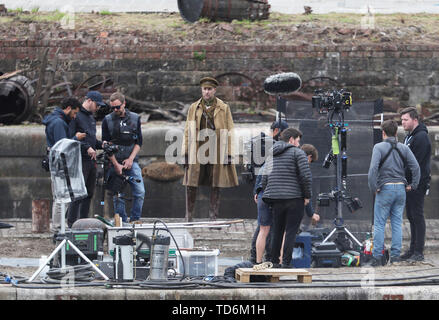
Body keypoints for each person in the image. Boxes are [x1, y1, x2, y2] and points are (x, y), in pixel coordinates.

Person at [182, 76, 238, 221]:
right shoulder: (194, 107)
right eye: (204, 89)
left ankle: (213, 217)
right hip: (197, 149)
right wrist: (185, 153)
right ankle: (189, 216)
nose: (207, 92)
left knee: (216, 183)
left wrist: (229, 153)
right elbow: (187, 130)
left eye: (209, 89)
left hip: (217, 150)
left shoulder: (223, 107)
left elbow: (230, 130)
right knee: (191, 183)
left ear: (214, 90)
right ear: (201, 90)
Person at [367, 120, 420, 266]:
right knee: (397, 223)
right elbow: (416, 167)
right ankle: (395, 257)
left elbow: (373, 170)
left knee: (379, 223)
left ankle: (377, 257)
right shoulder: (404, 148)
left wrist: (373, 187)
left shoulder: (378, 147)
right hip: (401, 189)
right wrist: (413, 185)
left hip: (385, 188)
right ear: (396, 133)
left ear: (383, 133)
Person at [261, 128, 312, 268]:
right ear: (291, 139)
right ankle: (286, 263)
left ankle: (274, 261)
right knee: (290, 231)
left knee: (277, 230)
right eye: (298, 140)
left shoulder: (271, 153)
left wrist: (267, 192)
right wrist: (307, 195)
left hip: (275, 199)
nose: (298, 143)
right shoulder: (298, 153)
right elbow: (305, 177)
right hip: (294, 198)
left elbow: (264, 177)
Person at [42, 97, 86, 230]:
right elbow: (62, 146)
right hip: (60, 166)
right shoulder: (59, 123)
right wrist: (75, 138)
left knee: (60, 196)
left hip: (56, 164)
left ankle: (59, 226)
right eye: (74, 113)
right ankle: (58, 227)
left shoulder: (55, 120)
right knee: (61, 198)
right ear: (68, 108)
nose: (74, 116)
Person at [102, 92, 145, 223]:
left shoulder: (135, 118)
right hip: (114, 161)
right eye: (112, 108)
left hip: (131, 160)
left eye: (118, 107)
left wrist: (131, 159)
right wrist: (116, 164)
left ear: (124, 104)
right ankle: (121, 221)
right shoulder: (107, 120)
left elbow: (139, 143)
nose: (115, 110)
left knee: (140, 192)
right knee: (117, 195)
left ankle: (135, 219)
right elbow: (106, 145)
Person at [250, 120, 288, 264]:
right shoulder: (276, 148)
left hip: (262, 191)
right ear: (278, 131)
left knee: (263, 228)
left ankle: (257, 259)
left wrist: (257, 190)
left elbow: (261, 172)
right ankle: (269, 259)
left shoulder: (263, 144)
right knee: (269, 229)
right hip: (271, 192)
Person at [67, 91, 106, 228]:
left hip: (91, 161)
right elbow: (71, 138)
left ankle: (82, 222)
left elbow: (91, 139)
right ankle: (72, 223)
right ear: (89, 101)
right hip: (79, 160)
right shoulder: (76, 116)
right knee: (78, 194)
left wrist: (102, 144)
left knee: (88, 193)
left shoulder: (91, 118)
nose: (98, 108)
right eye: (97, 105)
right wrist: (86, 147)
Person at [400, 107, 432, 262]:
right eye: (402, 120)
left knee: (417, 215)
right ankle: (412, 249)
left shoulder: (421, 137)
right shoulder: (410, 137)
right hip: (410, 182)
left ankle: (418, 251)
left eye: (405, 120)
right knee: (411, 216)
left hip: (417, 183)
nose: (403, 123)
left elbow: (416, 164)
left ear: (414, 119)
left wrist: (410, 182)